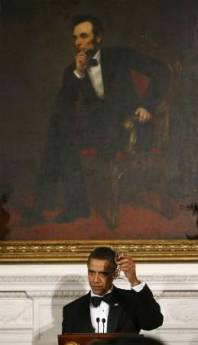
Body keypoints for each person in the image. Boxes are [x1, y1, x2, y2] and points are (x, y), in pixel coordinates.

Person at [34, 14, 170, 223]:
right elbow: (63, 106)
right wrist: (78, 74)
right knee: (59, 127)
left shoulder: (120, 55)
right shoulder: (72, 70)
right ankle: (72, 205)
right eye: (75, 38)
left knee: (61, 130)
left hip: (130, 128)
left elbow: (161, 71)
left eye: (83, 36)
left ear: (98, 38)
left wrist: (146, 105)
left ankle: (46, 202)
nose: (78, 42)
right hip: (100, 131)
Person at [62, 246, 163, 333]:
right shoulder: (71, 310)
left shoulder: (130, 301)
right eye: (91, 273)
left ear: (115, 273)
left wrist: (134, 281)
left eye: (103, 273)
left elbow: (153, 322)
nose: (95, 280)